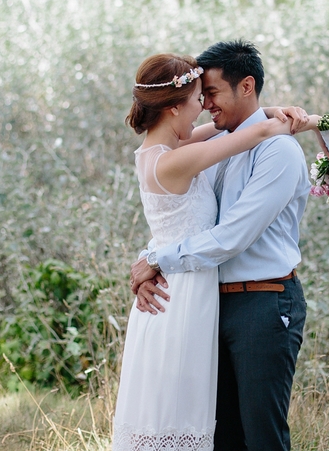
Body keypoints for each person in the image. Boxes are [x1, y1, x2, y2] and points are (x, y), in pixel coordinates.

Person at [113, 50, 314, 451]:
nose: (204, 107)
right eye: (198, 98)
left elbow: (231, 235)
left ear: (246, 87)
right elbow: (249, 133)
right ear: (173, 107)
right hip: (197, 304)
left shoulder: (261, 149)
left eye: (211, 94)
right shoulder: (187, 153)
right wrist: (154, 259)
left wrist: (155, 259)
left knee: (260, 435)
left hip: (260, 301)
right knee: (216, 435)